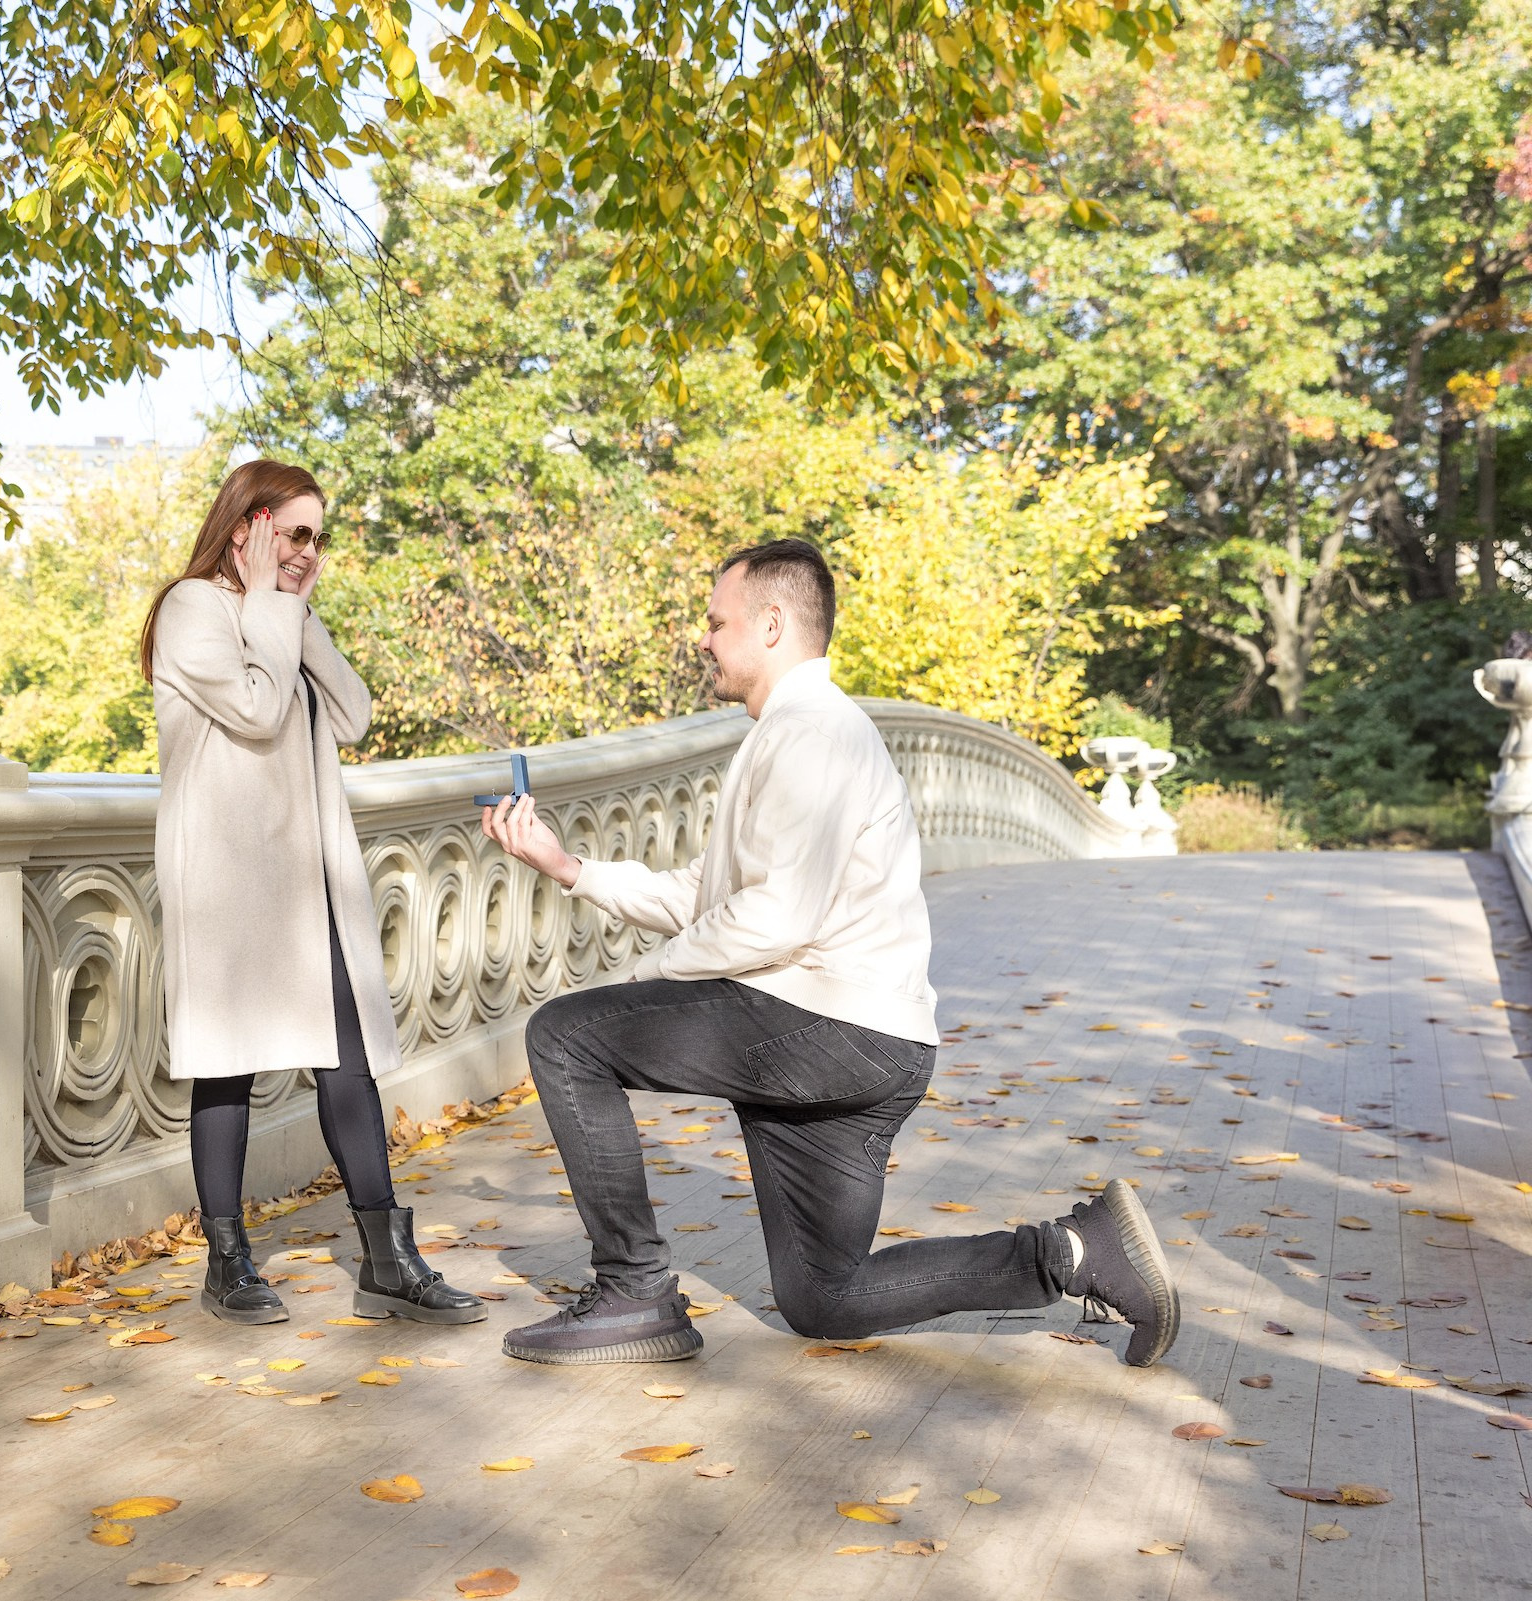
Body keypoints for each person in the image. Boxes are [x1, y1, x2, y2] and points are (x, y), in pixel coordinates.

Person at [481, 538, 1180, 1368]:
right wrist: (569, 868)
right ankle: (1073, 1251)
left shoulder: (814, 735)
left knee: (567, 1036)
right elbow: (709, 898)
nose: (703, 639)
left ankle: (635, 1291)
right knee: (825, 1296)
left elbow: (775, 917)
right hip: (862, 1040)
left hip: (828, 1029)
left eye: (715, 621)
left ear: (770, 623)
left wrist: (633, 989)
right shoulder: (794, 734)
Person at [141, 459, 483, 1328]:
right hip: (224, 878)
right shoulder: (193, 609)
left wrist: (293, 607)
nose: (310, 551)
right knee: (227, 1067)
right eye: (296, 533)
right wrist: (270, 600)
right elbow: (256, 711)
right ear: (248, 526)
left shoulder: (283, 611)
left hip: (304, 879)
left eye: (319, 537)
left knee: (347, 1058)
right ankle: (227, 1261)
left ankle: (387, 1258)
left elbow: (354, 711)